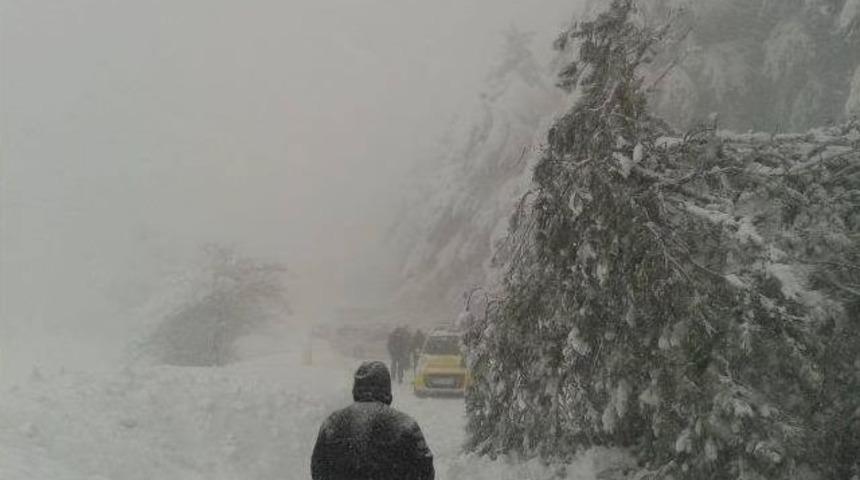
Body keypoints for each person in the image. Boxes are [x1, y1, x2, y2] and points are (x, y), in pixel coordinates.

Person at [311, 361, 435, 480]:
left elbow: (318, 468)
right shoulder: (405, 425)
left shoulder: (332, 423)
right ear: (387, 390)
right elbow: (425, 470)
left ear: (355, 389)